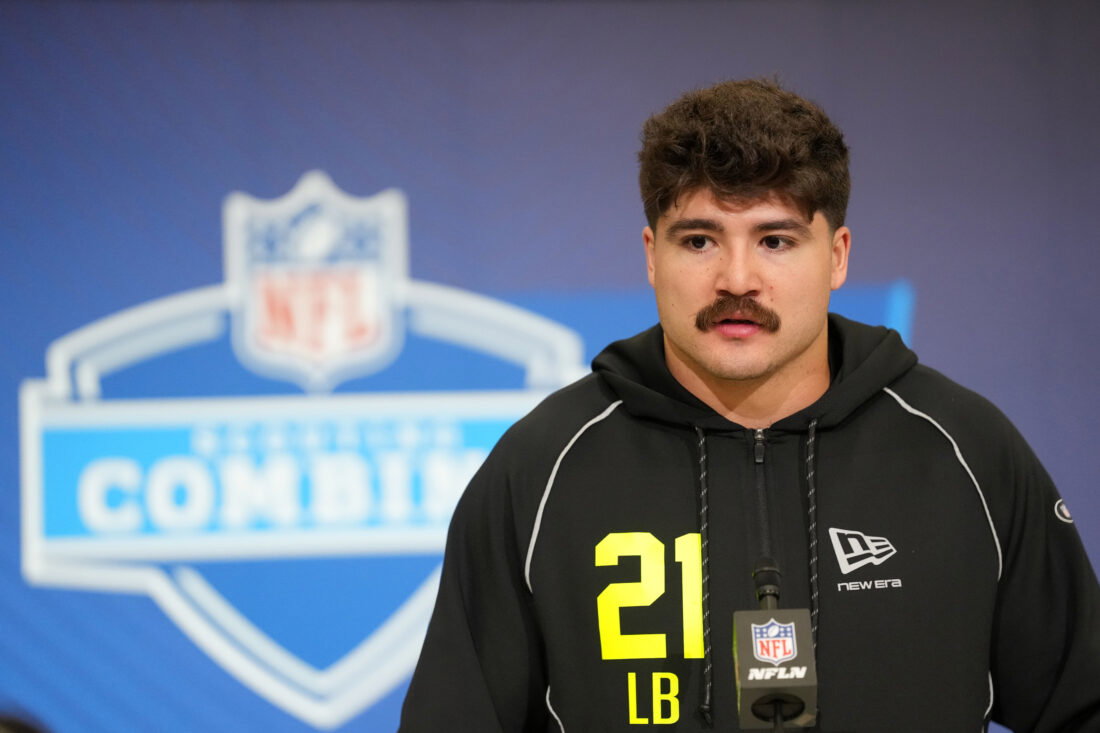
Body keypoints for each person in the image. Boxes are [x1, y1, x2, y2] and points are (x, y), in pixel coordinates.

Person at [399, 79, 1100, 732]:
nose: (738, 279)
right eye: (699, 240)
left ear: (838, 255)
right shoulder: (540, 467)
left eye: (775, 240)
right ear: (651, 256)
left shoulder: (965, 450)